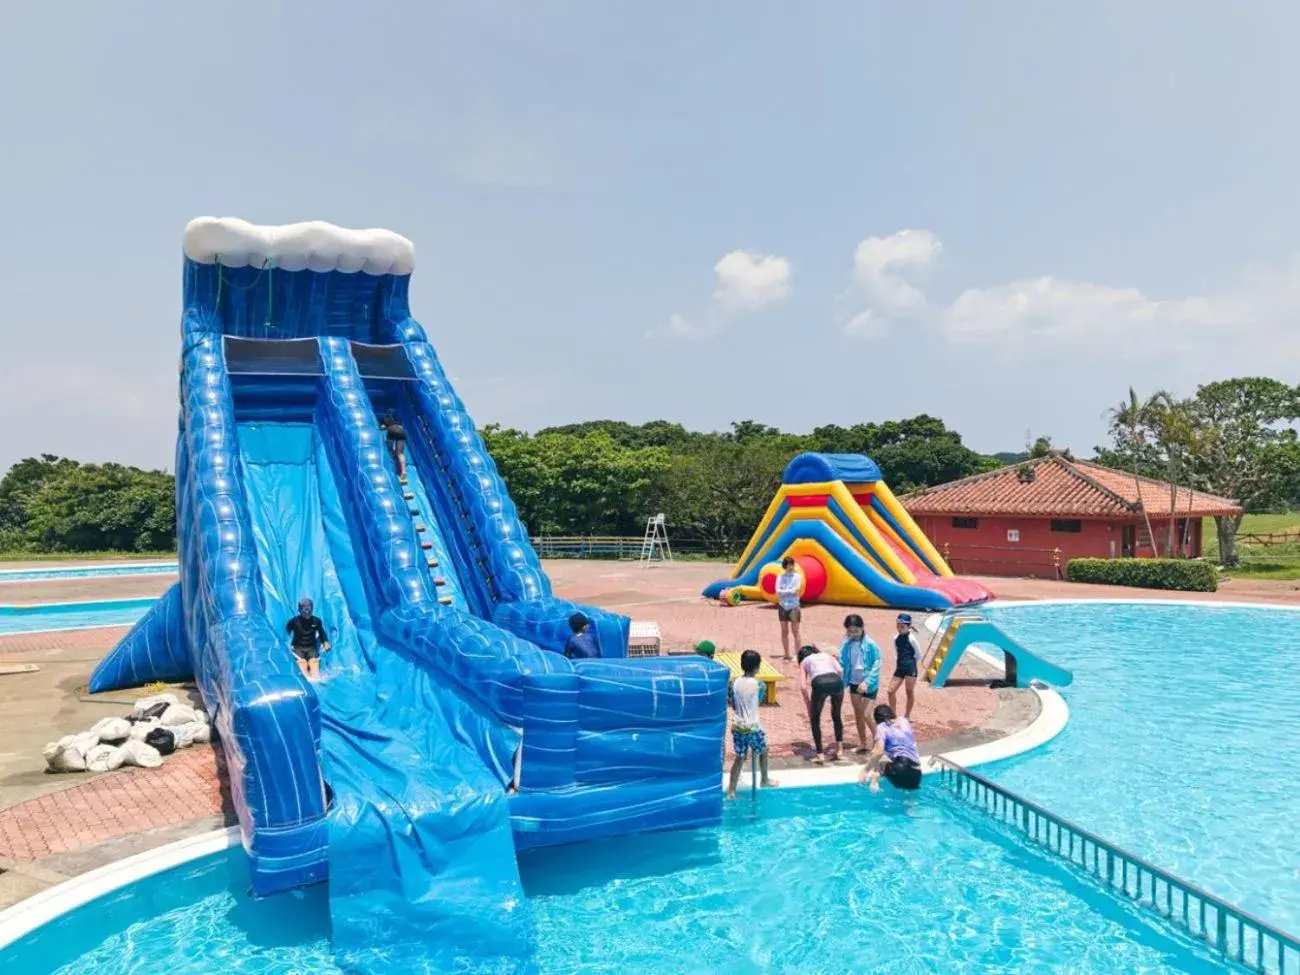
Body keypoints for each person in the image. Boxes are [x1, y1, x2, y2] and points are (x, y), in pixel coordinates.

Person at [727, 650, 778, 798]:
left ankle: (731, 791)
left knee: (740, 758)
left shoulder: (734, 682)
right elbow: (758, 702)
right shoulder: (760, 685)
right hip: (752, 727)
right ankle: (764, 780)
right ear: (757, 667)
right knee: (764, 749)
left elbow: (732, 702)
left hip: (737, 726)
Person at [839, 613, 881, 753]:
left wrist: (867, 682)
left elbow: (877, 662)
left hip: (869, 684)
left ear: (862, 628)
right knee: (858, 714)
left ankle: (879, 742)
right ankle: (863, 743)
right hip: (854, 683)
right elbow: (841, 660)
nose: (853, 634)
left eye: (856, 630)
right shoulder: (847, 644)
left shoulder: (870, 644)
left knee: (867, 714)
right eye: (850, 631)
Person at [796, 644, 844, 763]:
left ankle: (820, 754)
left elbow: (803, 687)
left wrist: (809, 706)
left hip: (820, 682)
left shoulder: (804, 662)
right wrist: (839, 686)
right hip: (837, 681)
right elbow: (840, 670)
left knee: (815, 720)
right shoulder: (826, 655)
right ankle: (840, 749)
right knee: (836, 715)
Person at [858, 704, 922, 792]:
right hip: (916, 773)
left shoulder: (881, 727)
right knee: (909, 800)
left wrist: (865, 770)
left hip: (898, 769)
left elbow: (879, 752)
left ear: (877, 719)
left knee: (880, 759)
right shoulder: (904, 720)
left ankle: (874, 780)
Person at [285, 597, 330, 681]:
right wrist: (287, 645)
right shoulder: (293, 621)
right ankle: (306, 678)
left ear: (312, 609)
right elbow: (286, 633)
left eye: (309, 609)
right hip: (298, 647)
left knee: (313, 662)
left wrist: (325, 642)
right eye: (304, 610)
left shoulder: (316, 621)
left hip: (311, 648)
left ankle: (316, 678)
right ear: (299, 610)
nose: (307, 612)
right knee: (302, 662)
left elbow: (322, 633)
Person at [889, 613, 922, 720]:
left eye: (902, 626)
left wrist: (910, 663)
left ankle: (907, 716)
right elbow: (897, 653)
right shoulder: (895, 638)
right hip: (899, 668)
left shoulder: (912, 638)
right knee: (890, 691)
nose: (899, 628)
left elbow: (919, 654)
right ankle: (893, 715)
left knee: (909, 692)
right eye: (897, 625)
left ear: (908, 627)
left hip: (910, 668)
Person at [775, 556, 802, 661]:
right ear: (784, 566)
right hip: (782, 606)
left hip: (794, 606)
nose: (790, 567)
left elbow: (796, 590)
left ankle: (797, 654)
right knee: (784, 631)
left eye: (791, 565)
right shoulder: (780, 577)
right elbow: (777, 591)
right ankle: (786, 653)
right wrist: (789, 591)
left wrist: (784, 591)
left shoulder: (797, 577)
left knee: (795, 631)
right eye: (788, 565)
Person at [380, 412, 407, 483]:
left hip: (391, 431)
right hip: (401, 431)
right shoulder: (394, 420)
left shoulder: (385, 420)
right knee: (400, 453)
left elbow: (382, 427)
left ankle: (392, 466)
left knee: (389, 448)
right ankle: (403, 471)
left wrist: (381, 427)